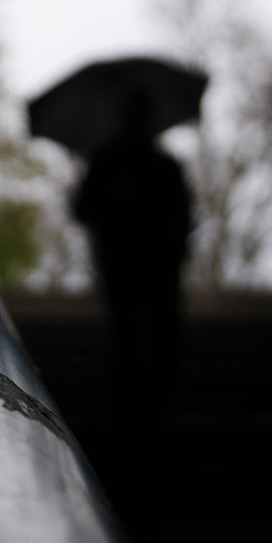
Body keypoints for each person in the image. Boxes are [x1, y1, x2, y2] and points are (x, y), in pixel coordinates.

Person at [72, 92, 192, 414]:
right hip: (146, 262)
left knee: (130, 330)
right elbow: (183, 217)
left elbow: (81, 210)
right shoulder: (163, 165)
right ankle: (151, 399)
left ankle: (134, 398)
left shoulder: (107, 161)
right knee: (146, 330)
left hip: (128, 260)